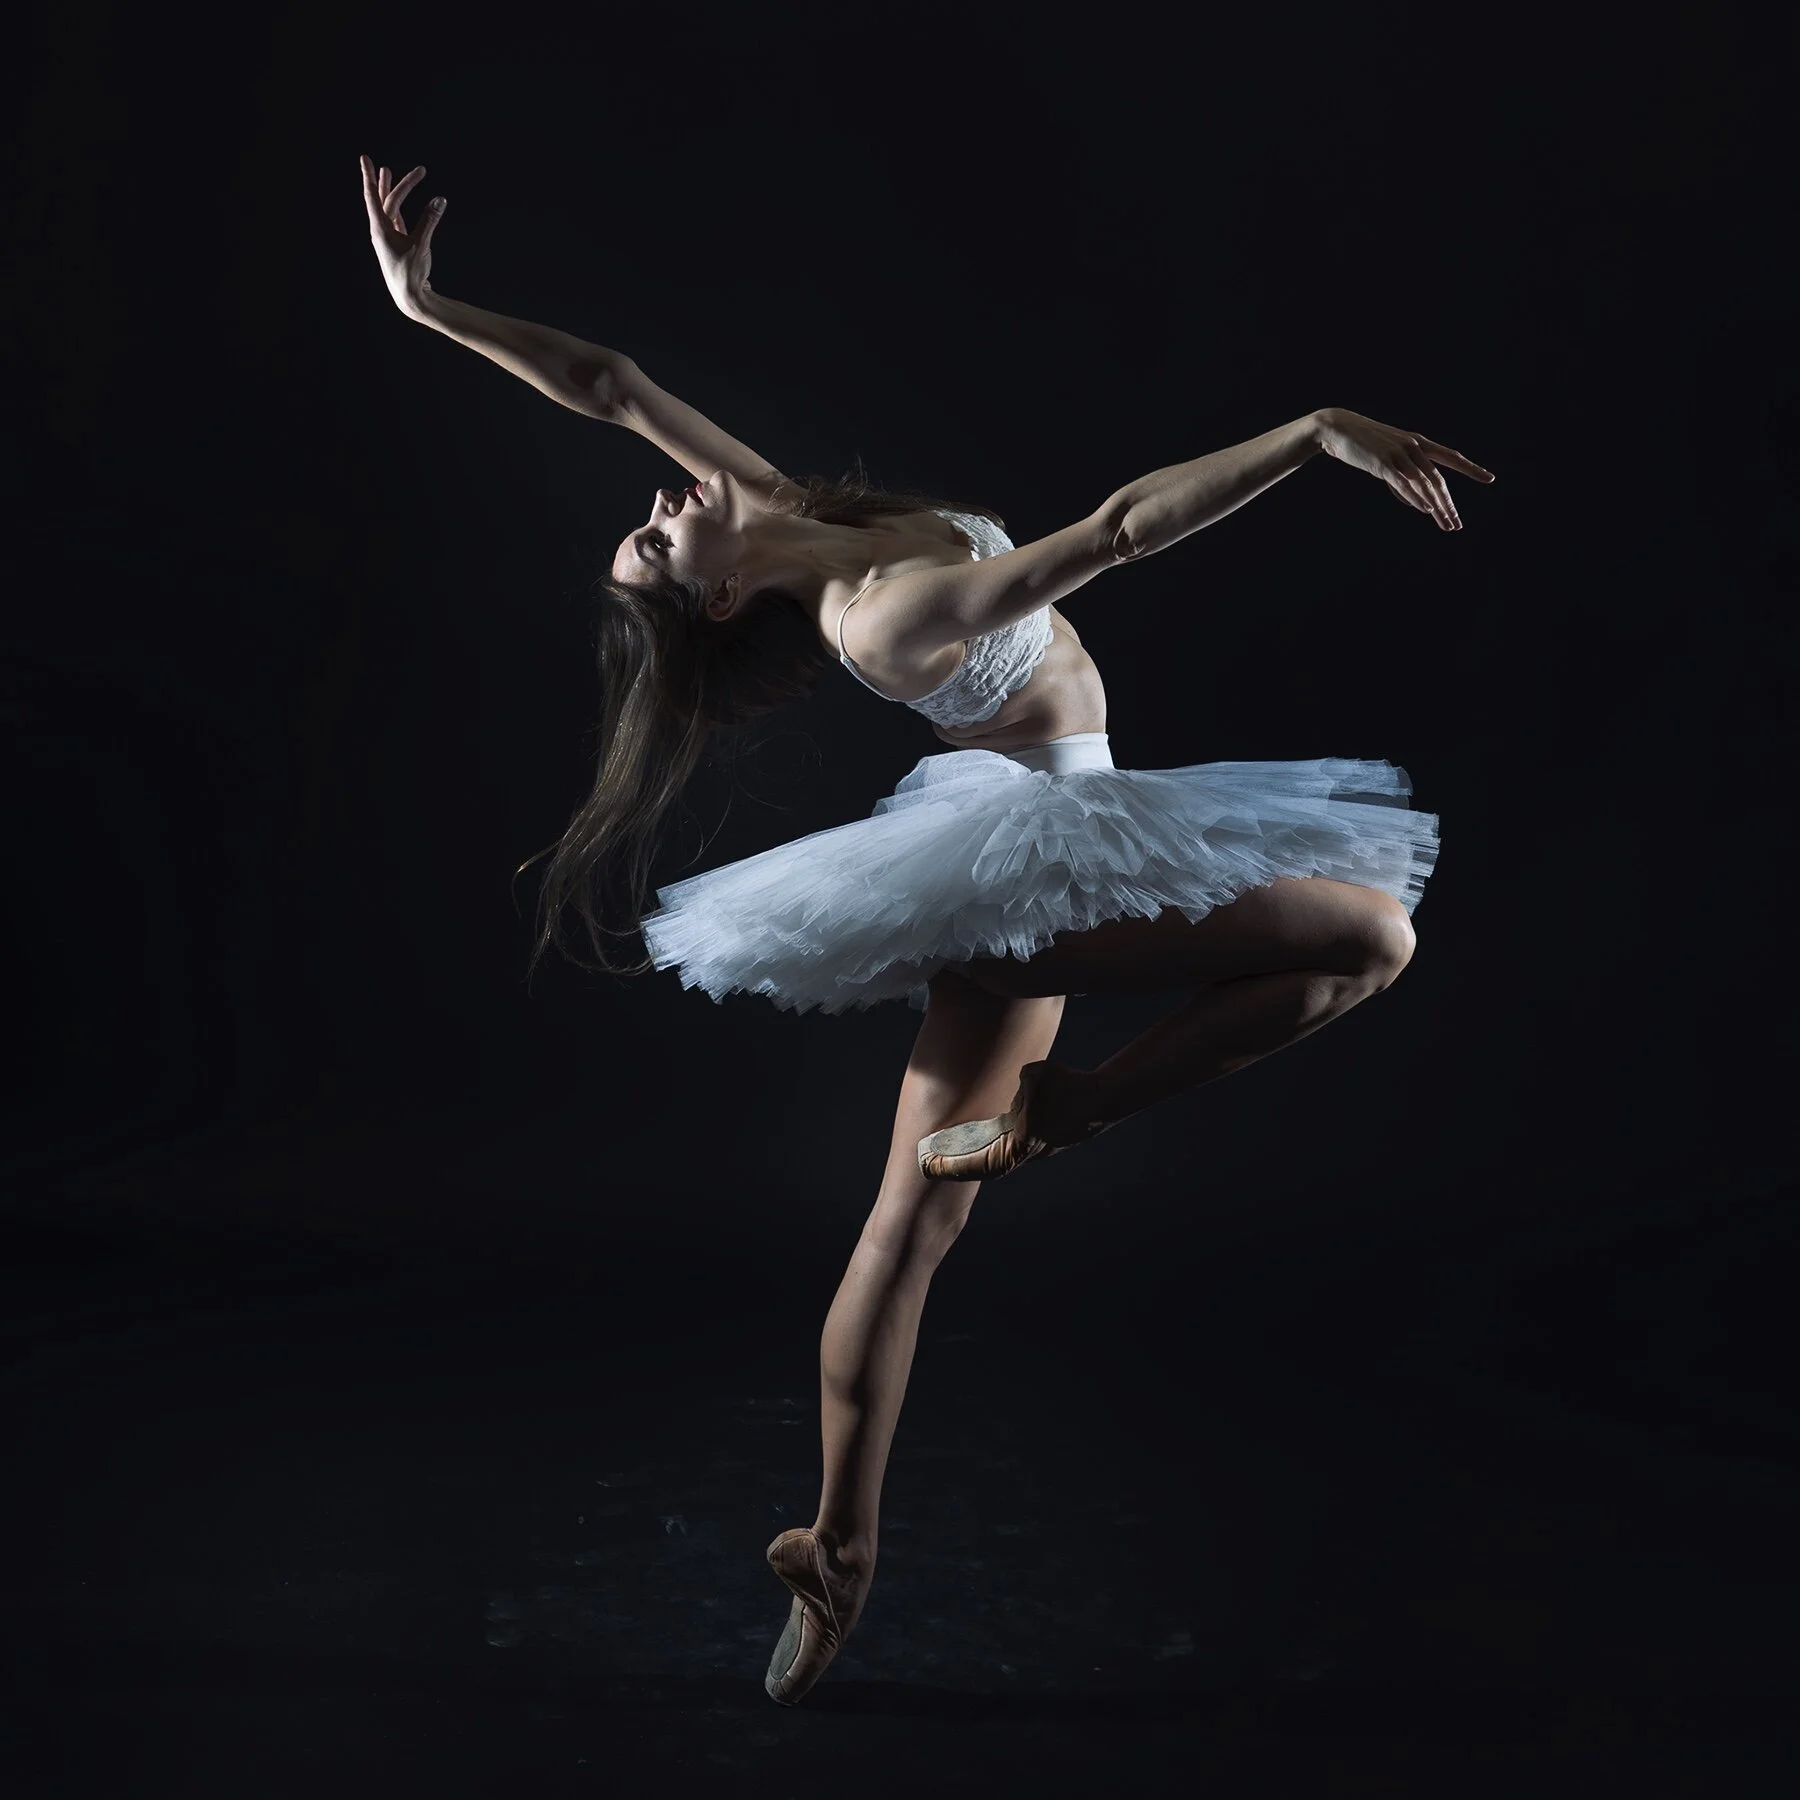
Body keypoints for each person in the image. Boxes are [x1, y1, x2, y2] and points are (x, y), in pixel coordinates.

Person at [360, 156, 1495, 1706]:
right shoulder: (880, 618)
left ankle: (835, 1548)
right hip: (1044, 847)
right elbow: (1115, 531)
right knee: (1373, 943)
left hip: (1024, 835)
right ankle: (1077, 1110)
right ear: (711, 604)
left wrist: (427, 307)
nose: (661, 507)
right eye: (654, 545)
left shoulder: (784, 516)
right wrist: (1314, 433)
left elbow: (609, 385)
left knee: (912, 1223)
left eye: (648, 518)